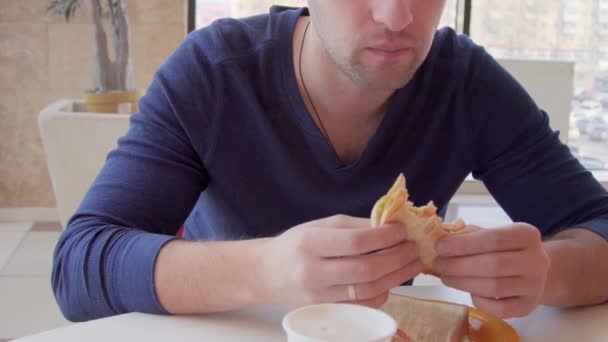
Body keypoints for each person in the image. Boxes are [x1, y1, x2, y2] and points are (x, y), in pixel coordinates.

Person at [52, 1, 608, 323]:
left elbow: (598, 229)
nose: (397, 16)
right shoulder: (214, 74)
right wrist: (267, 269)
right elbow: (79, 266)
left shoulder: (468, 85)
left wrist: (547, 272)